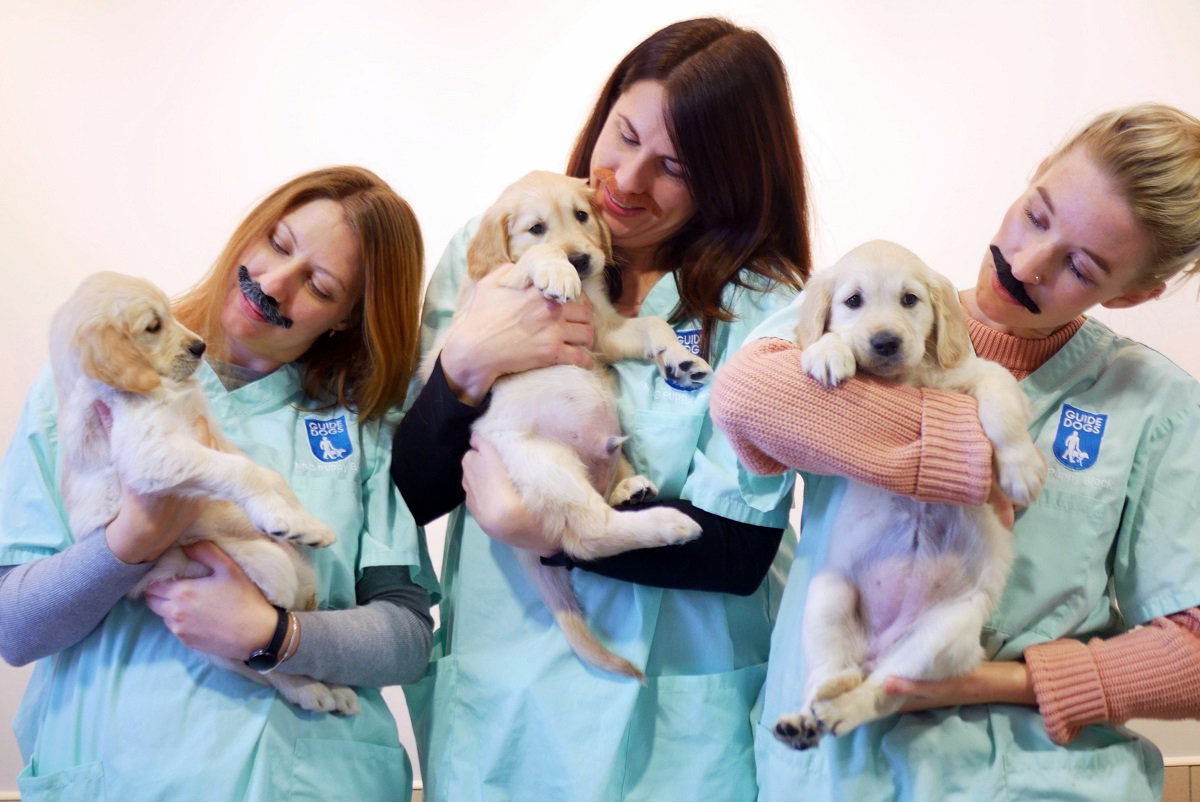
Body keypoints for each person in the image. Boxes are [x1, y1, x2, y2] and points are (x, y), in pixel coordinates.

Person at [710, 103, 1200, 801]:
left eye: (1081, 266)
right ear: (1032, 177)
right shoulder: (873, 301)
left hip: (1038, 780)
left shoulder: (1155, 402)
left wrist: (1001, 680)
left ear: (1134, 295)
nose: (1026, 263)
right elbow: (745, 399)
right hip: (831, 772)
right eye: (1036, 214)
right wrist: (962, 451)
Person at [391, 17, 810, 801]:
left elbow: (739, 553)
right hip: (511, 702)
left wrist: (546, 531)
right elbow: (416, 487)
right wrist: (470, 361)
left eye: (674, 167)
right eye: (622, 135)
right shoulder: (494, 252)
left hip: (682, 724)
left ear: (730, 179)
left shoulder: (766, 308)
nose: (624, 179)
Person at [0, 166, 438, 801]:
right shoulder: (86, 385)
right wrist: (133, 541)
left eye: (318, 285)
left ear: (346, 318)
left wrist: (276, 636)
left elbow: (407, 639)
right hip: (123, 777)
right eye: (279, 244)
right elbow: (14, 627)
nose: (272, 282)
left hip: (309, 781)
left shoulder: (361, 428)